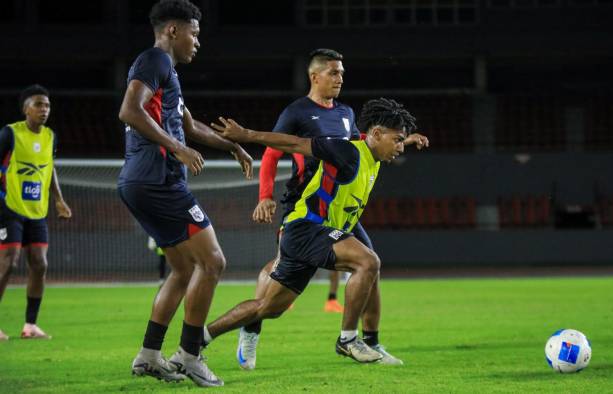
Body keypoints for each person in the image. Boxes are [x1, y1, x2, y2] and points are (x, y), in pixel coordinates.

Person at [207, 98, 427, 364]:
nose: (400, 148)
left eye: (402, 141)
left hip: (314, 233)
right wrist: (247, 135)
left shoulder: (374, 156)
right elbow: (294, 143)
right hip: (306, 228)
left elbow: (377, 140)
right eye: (397, 140)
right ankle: (348, 340)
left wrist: (407, 137)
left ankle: (197, 340)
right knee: (368, 262)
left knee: (268, 308)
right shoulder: (346, 151)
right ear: (377, 134)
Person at [117, 0, 253, 387]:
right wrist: (175, 148)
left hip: (141, 181)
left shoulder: (166, 74)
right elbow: (129, 110)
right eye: (193, 33)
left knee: (182, 270)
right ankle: (191, 356)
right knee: (213, 262)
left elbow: (190, 127)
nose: (197, 41)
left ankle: (148, 356)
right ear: (173, 30)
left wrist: (232, 146)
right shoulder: (155, 61)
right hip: (158, 178)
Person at [253, 49, 355, 317]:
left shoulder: (346, 112)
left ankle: (359, 338)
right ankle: (253, 323)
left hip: (335, 202)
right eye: (333, 73)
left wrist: (395, 139)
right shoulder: (297, 112)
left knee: (365, 261)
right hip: (303, 201)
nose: (340, 78)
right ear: (314, 76)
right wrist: (265, 196)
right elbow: (271, 153)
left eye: (342, 73)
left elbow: (359, 145)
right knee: (281, 268)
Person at [0, 84, 72, 341]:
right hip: (9, 207)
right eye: (38, 104)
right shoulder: (9, 133)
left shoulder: (50, 136)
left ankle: (30, 325)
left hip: (37, 211)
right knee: (8, 262)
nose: (44, 109)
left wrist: (59, 200)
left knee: (40, 264)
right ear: (25, 109)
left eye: (47, 105)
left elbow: (49, 167)